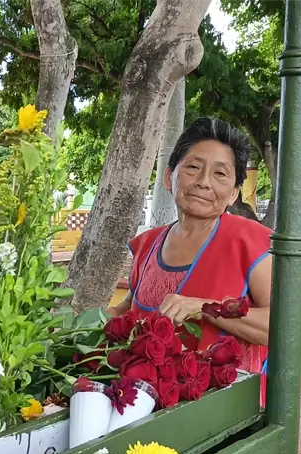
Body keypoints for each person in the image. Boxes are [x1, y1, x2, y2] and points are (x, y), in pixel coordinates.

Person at [107, 118, 271, 381]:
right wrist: (100, 319)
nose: (204, 182)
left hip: (228, 407)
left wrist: (205, 307)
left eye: (220, 174)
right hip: (144, 397)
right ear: (169, 177)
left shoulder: (252, 242)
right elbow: (132, 305)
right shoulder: (148, 244)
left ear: (233, 193)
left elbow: (281, 326)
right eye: (193, 167)